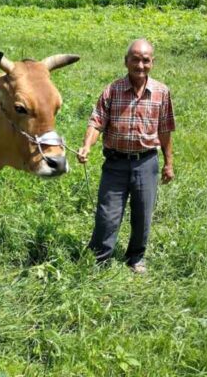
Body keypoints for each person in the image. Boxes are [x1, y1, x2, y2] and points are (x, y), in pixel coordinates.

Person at [77, 39, 175, 273]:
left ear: (152, 62)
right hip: (115, 163)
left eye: (145, 60)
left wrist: (168, 163)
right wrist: (86, 146)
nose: (140, 65)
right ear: (126, 61)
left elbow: (165, 130)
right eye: (135, 59)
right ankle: (100, 260)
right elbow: (96, 122)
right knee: (107, 215)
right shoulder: (112, 90)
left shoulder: (161, 92)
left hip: (146, 162)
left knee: (143, 214)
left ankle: (136, 258)